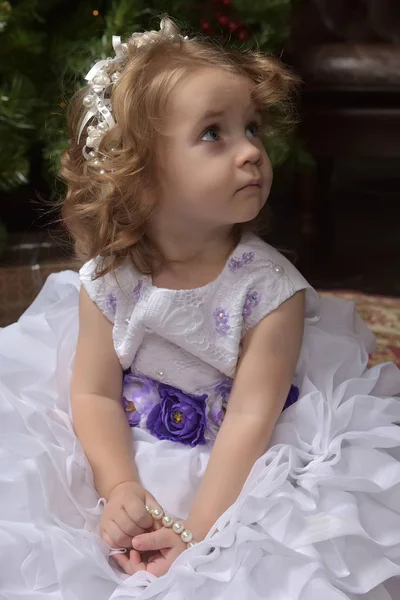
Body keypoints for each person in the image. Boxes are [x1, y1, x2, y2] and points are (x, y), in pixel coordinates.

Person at [1, 15, 400, 600]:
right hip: (127, 438)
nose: (251, 154)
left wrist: (197, 535)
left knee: (272, 561)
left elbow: (248, 419)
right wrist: (118, 487)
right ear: (140, 174)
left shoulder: (270, 291)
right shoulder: (110, 280)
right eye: (215, 133)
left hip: (236, 454)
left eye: (253, 130)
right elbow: (91, 392)